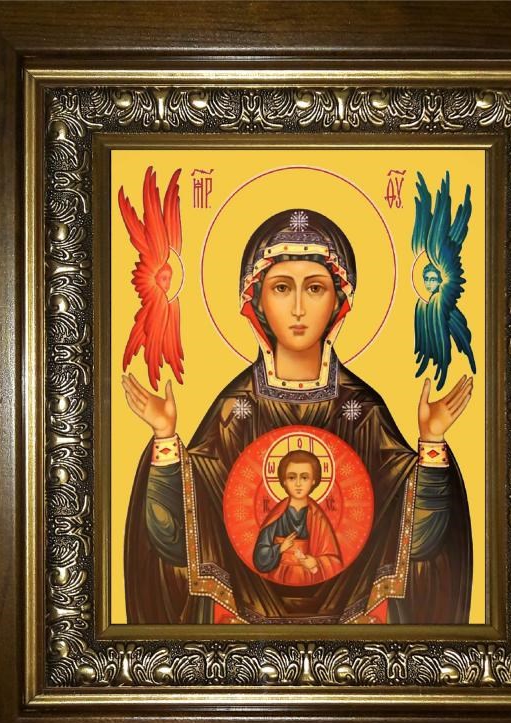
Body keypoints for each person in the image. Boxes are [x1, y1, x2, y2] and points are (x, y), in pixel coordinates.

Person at [122, 209, 473, 625]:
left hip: (355, 631)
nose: (299, 308)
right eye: (282, 288)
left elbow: (420, 542)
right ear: (257, 300)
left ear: (339, 300)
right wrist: (165, 437)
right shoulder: (235, 411)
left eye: (316, 288)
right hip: (244, 631)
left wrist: (432, 443)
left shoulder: (362, 411)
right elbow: (174, 540)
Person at [252, 449, 343, 586]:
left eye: (304, 477)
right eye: (292, 477)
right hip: (277, 578)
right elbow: (260, 557)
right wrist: (279, 548)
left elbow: (334, 561)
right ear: (284, 481)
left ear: (313, 480)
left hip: (309, 580)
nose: (298, 484)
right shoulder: (277, 515)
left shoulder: (318, 517)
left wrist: (316, 562)